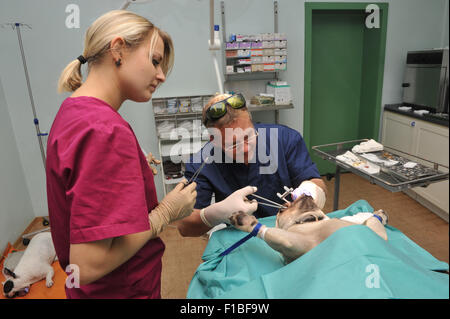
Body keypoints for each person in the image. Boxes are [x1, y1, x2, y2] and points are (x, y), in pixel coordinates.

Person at [46, 10, 197, 299]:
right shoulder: (104, 130)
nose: (161, 75)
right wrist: (164, 213)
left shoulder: (76, 112)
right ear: (118, 50)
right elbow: (87, 265)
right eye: (155, 61)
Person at [176, 93, 327, 237]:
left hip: (291, 228)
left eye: (248, 136)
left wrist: (311, 192)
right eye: (234, 144)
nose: (246, 148)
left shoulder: (284, 139)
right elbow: (184, 227)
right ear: (213, 140)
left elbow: (318, 182)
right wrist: (213, 215)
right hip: (241, 236)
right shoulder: (202, 163)